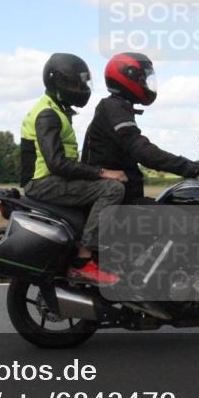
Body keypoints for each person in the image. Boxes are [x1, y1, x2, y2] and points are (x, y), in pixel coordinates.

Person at [20, 53, 127, 285]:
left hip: (50, 179)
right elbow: (56, 163)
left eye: (84, 82)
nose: (82, 88)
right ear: (58, 82)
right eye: (76, 82)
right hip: (43, 182)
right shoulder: (47, 114)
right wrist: (102, 173)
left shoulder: (55, 109)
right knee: (112, 190)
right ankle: (83, 261)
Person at [83, 52, 199, 203]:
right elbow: (142, 150)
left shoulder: (117, 107)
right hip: (115, 202)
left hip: (124, 197)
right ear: (129, 77)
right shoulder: (113, 108)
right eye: (144, 78)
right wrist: (193, 167)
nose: (147, 83)